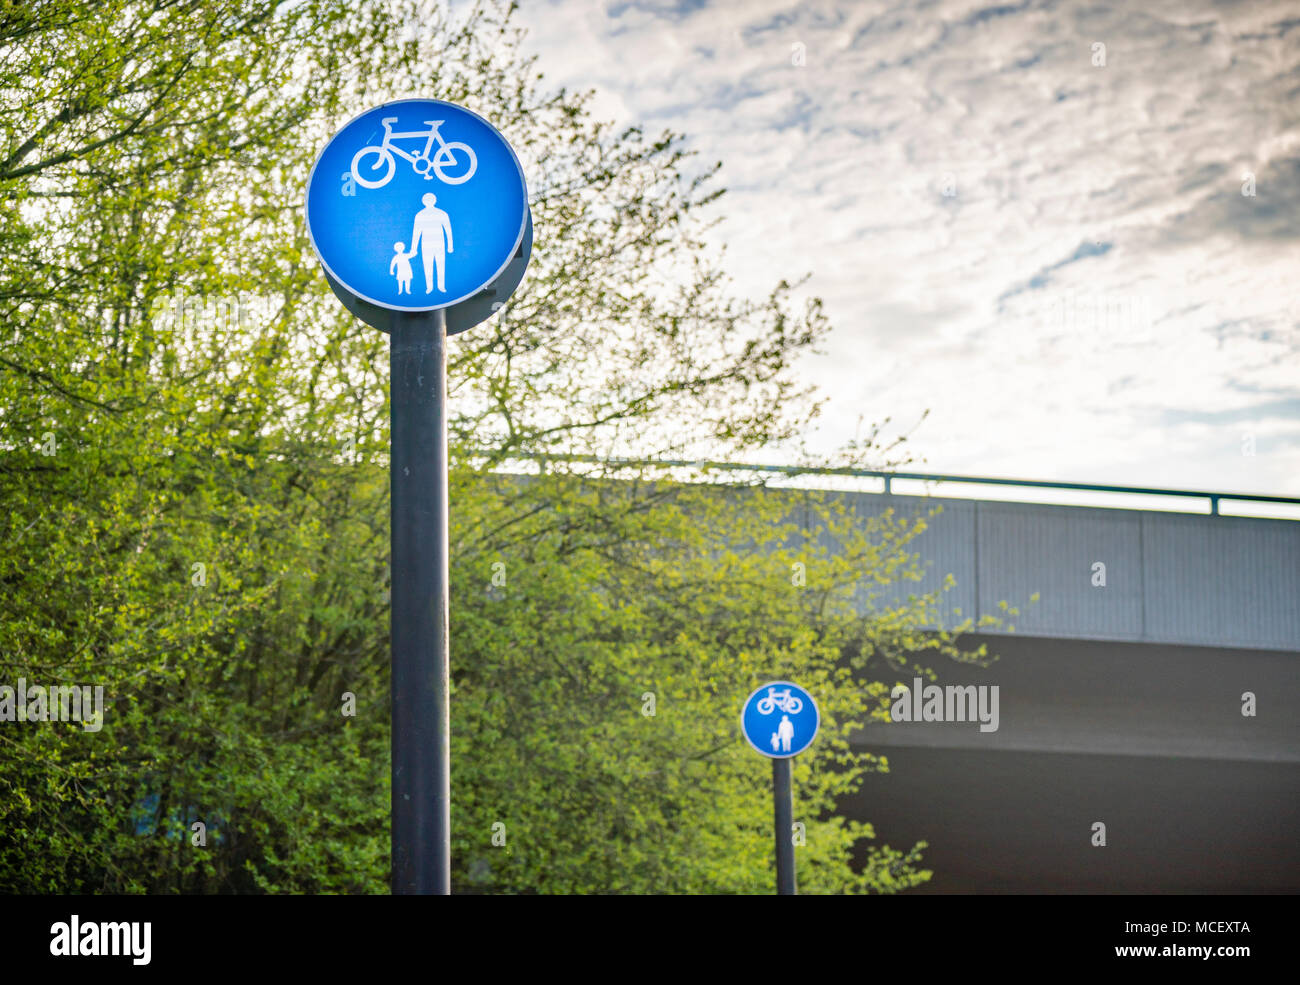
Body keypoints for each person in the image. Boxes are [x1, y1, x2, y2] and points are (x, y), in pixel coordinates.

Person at [408, 193, 454, 294]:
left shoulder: (441, 213)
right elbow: (416, 233)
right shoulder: (420, 215)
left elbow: (448, 230)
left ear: (435, 200)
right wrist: (413, 248)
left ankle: (441, 286)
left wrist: (450, 245)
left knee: (440, 265)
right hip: (426, 244)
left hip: (439, 243)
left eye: (430, 199)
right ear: (423, 201)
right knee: (427, 266)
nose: (428, 201)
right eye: (426, 199)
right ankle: (429, 287)